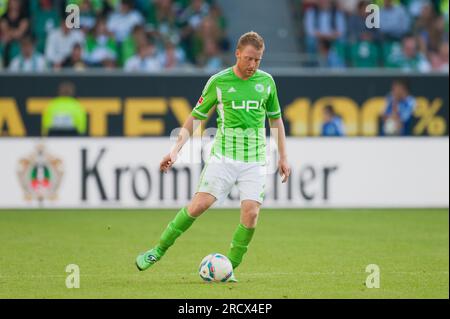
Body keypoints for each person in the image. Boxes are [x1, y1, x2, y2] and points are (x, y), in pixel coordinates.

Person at [135, 31, 291, 281]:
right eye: (249, 58)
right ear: (237, 54)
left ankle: (230, 268)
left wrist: (283, 157)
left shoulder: (267, 82)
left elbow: (276, 120)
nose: (253, 65)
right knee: (198, 206)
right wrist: (175, 150)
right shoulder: (219, 81)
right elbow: (196, 117)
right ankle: (157, 250)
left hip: (255, 160)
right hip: (224, 157)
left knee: (251, 213)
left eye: (258, 60)